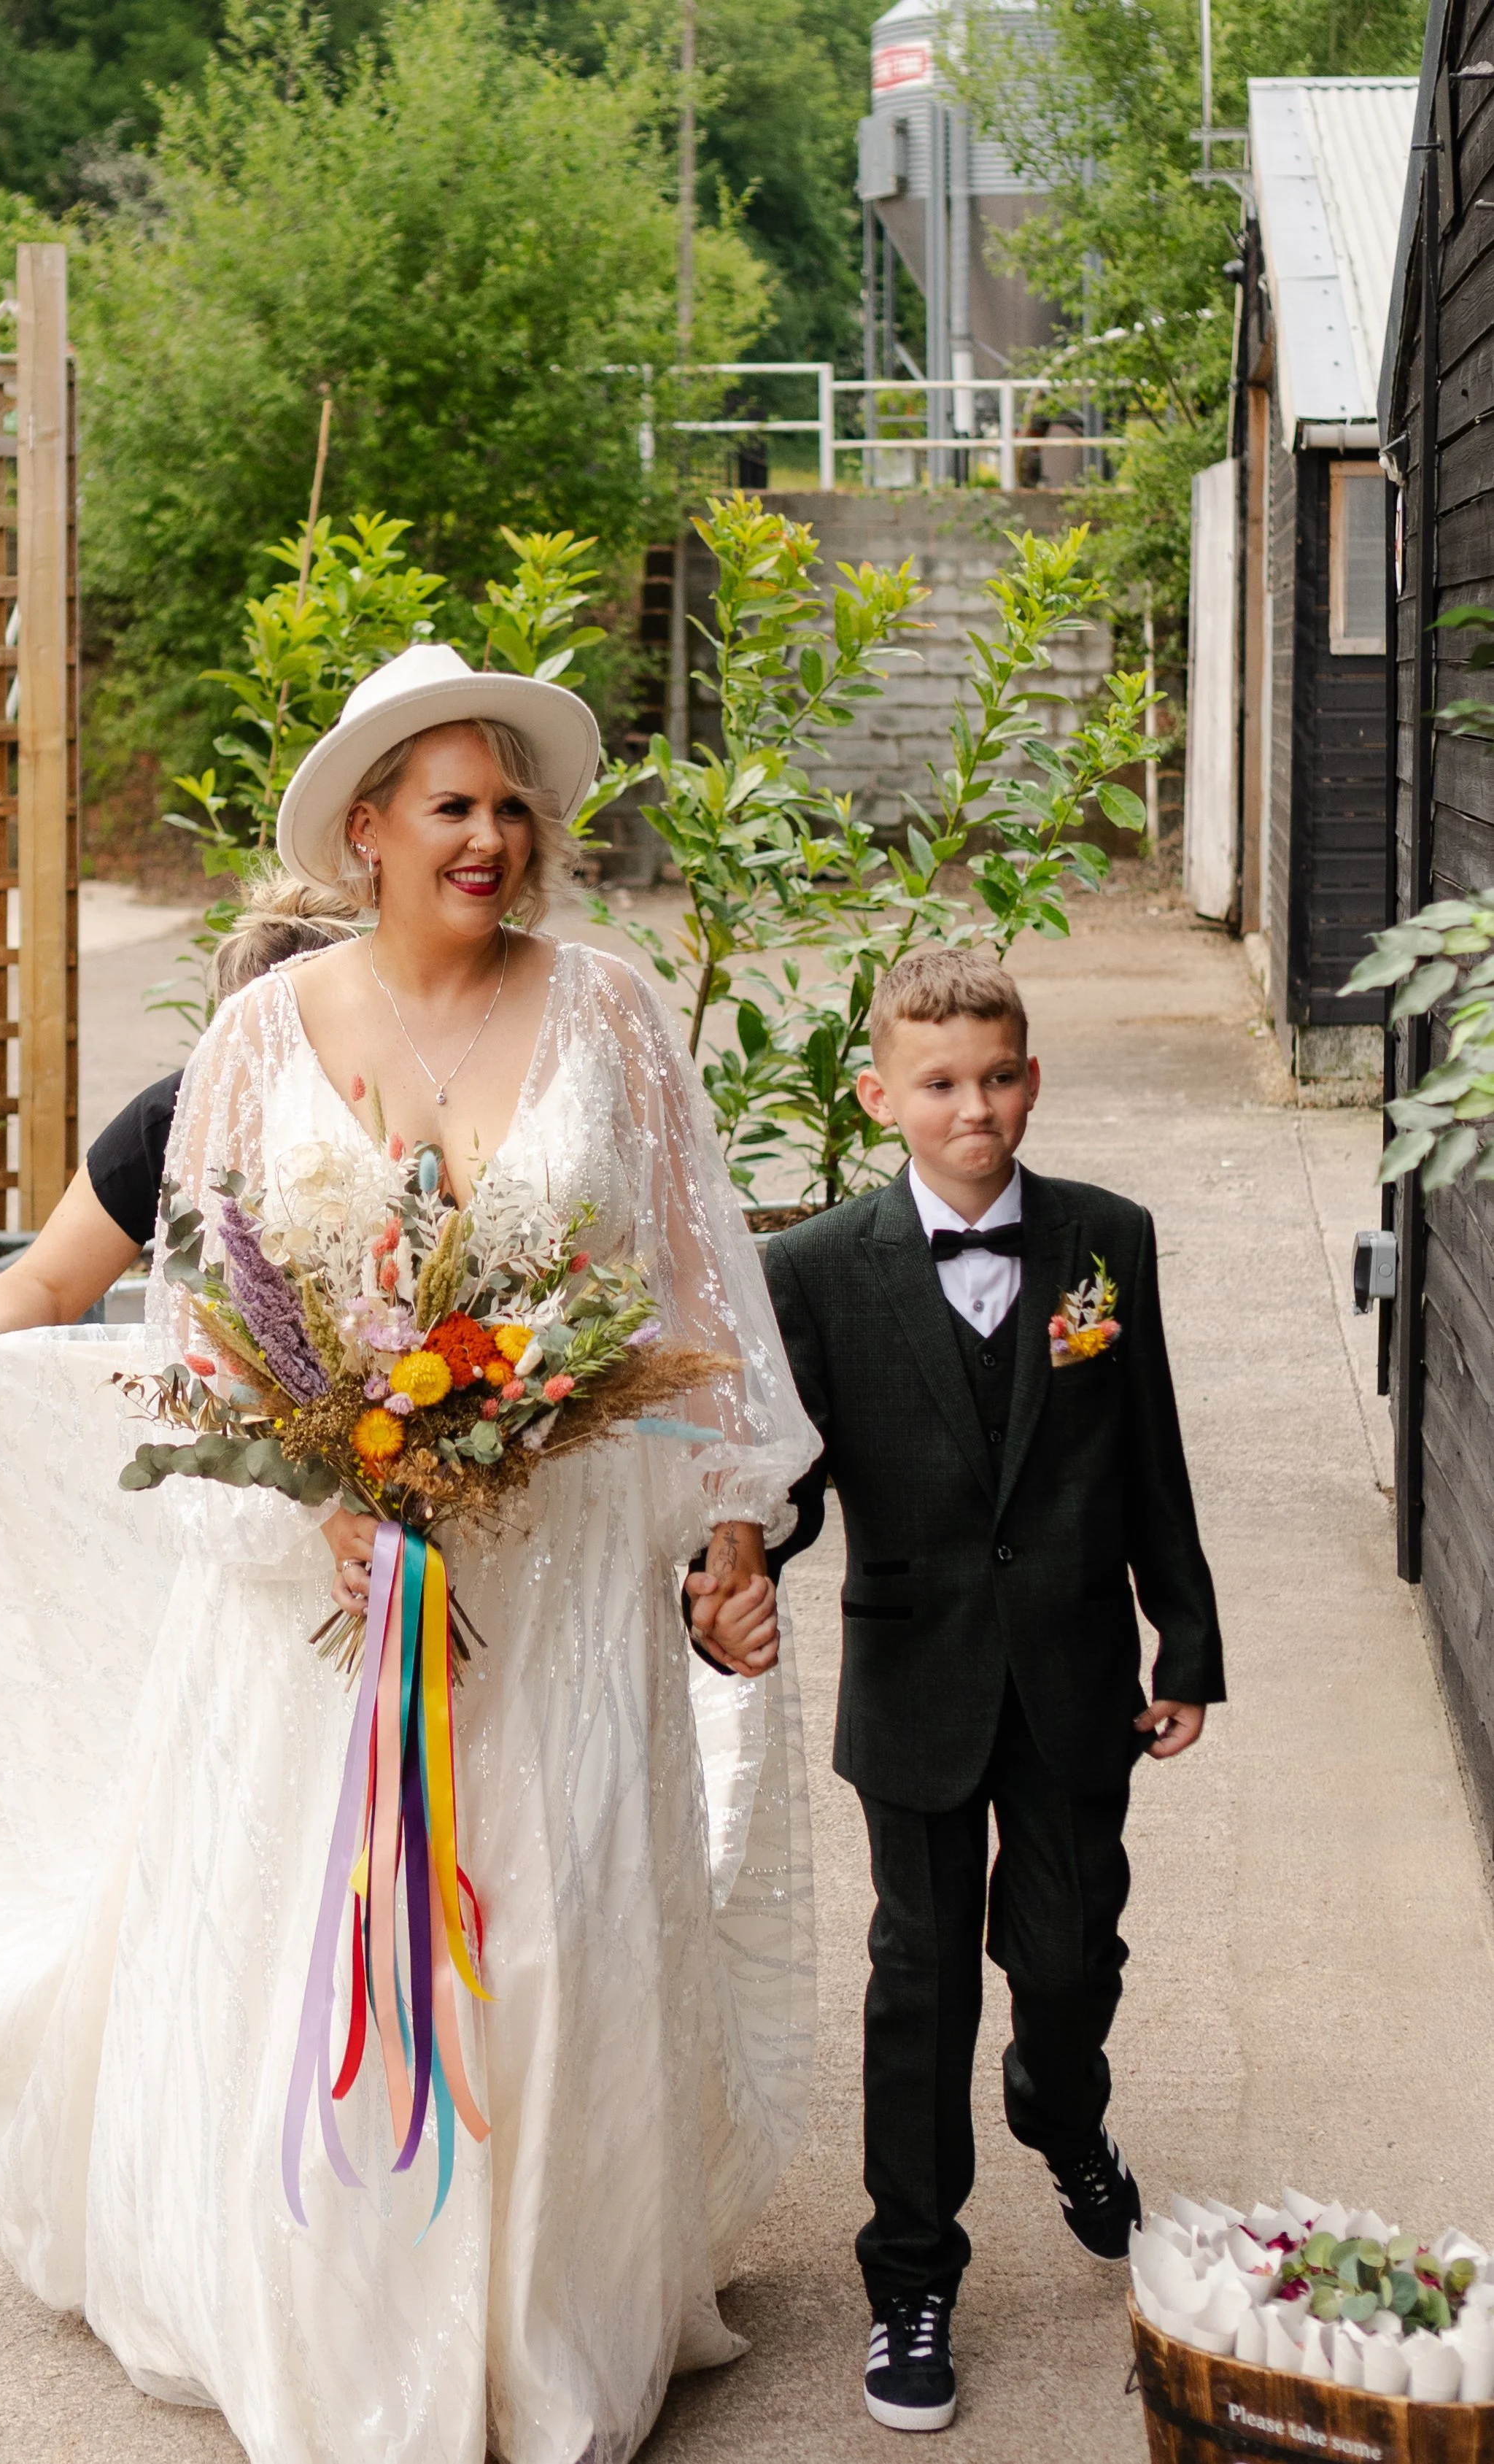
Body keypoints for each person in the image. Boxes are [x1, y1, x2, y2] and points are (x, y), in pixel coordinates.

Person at [0, 640, 818, 2464]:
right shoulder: (256, 1038)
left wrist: (730, 1522)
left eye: (509, 804)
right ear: (366, 833)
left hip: (548, 1585)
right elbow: (202, 1326)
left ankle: (538, 2319)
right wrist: (332, 1499)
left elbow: (699, 1295)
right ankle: (343, 2320)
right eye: (450, 805)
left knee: (539, 1932)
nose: (491, 834)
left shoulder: (608, 1009)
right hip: (329, 1592)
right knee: (338, 1939)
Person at [737, 942, 1224, 2435]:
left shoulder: (1104, 1239)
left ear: (1032, 1076)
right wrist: (738, 1554)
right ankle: (910, 2275)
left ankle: (1058, 2105)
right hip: (917, 1673)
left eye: (1001, 1075)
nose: (978, 1108)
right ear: (882, 1093)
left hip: (1076, 1670)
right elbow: (793, 1476)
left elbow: (1147, 1448)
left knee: (1071, 1956)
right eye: (941, 1083)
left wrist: (1183, 1639)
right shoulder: (810, 1268)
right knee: (920, 1974)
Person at [0, 871, 362, 1340]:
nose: (267, 1061)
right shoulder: (173, 1115)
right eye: (243, 1035)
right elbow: (45, 1281)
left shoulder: (408, 1104)